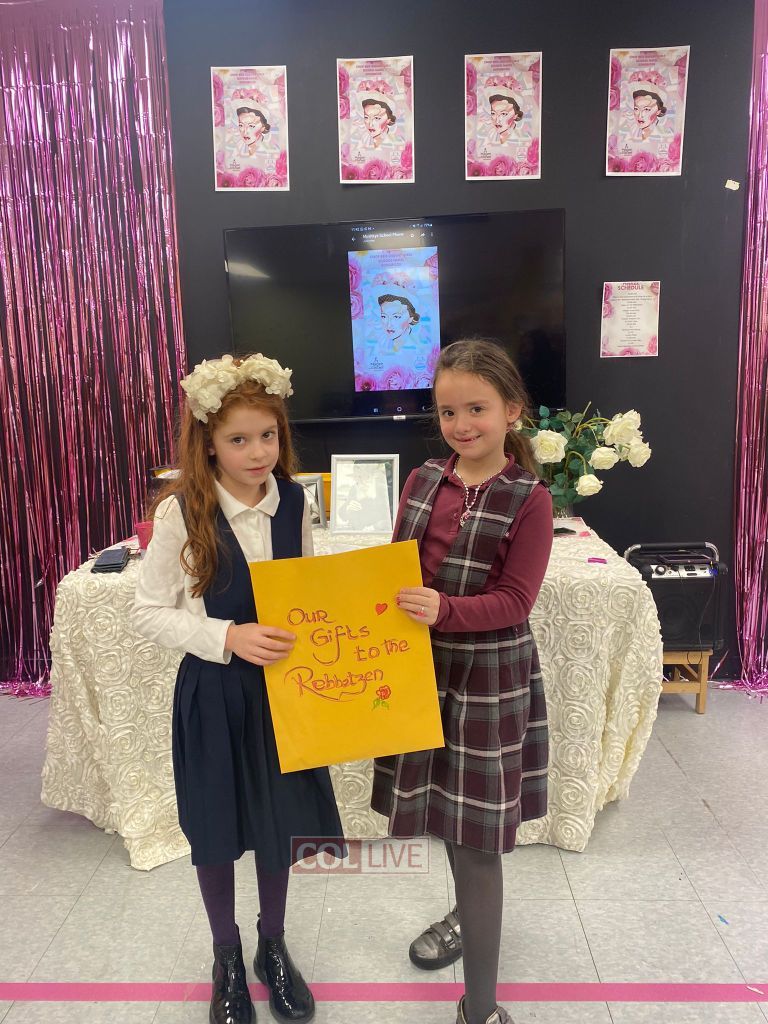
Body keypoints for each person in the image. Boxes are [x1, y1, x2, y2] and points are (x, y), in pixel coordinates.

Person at [133, 353, 344, 1024]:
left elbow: (301, 588)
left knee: (279, 824)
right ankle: (225, 954)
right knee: (217, 827)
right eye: (239, 439)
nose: (258, 453)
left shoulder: (294, 501)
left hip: (281, 694)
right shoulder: (182, 513)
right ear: (208, 443)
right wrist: (226, 636)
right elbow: (147, 612)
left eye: (268, 436)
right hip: (214, 695)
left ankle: (270, 945)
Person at [371, 339, 553, 1024]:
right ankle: (463, 917)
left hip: (487, 682)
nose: (461, 424)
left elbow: (515, 602)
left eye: (477, 408)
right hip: (420, 670)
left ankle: (481, 1010)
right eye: (448, 411)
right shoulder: (423, 479)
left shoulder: (529, 498)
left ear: (512, 411)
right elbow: (396, 569)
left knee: (477, 842)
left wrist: (443, 610)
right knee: (447, 820)